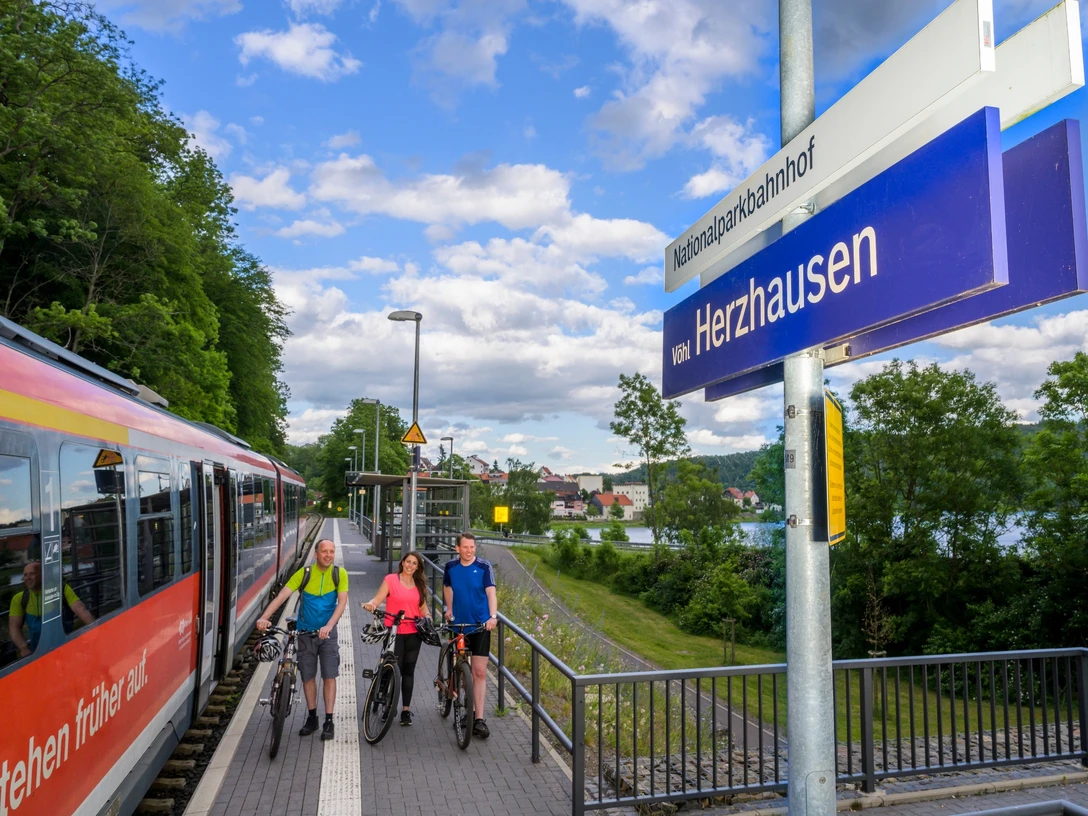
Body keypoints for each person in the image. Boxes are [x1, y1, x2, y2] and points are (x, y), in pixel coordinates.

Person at [258, 539, 348, 740]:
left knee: (329, 676)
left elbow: (342, 603)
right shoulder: (304, 574)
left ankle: (329, 721)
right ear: (316, 554)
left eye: (331, 551)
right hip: (305, 633)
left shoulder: (339, 574)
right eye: (324, 551)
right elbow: (281, 596)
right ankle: (312, 717)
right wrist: (264, 617)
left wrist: (329, 625)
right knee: (308, 677)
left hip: (327, 634)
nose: (328, 555)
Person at [362, 552, 429, 726]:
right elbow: (377, 599)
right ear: (402, 562)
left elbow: (423, 609)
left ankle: (406, 710)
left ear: (418, 567)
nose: (410, 565)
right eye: (408, 561)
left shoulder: (420, 585)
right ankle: (389, 706)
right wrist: (372, 604)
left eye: (414, 563)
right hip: (394, 632)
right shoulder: (391, 580)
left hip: (414, 633)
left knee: (408, 672)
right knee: (393, 668)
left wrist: (428, 617)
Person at [442, 532, 497, 739]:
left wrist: (493, 616)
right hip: (459, 625)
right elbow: (447, 587)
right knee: (463, 669)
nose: (469, 550)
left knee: (479, 672)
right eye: (465, 547)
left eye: (472, 547)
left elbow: (491, 592)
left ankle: (479, 718)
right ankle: (465, 707)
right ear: (457, 548)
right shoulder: (450, 567)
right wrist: (449, 608)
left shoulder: (484, 566)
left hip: (480, 624)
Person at [8, 561, 94, 659]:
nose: (27, 578)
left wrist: (95, 630)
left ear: (42, 574)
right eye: (25, 575)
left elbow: (80, 609)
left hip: (65, 647)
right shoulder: (19, 599)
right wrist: (24, 648)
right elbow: (14, 626)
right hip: (38, 652)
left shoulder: (61, 589)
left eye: (32, 574)